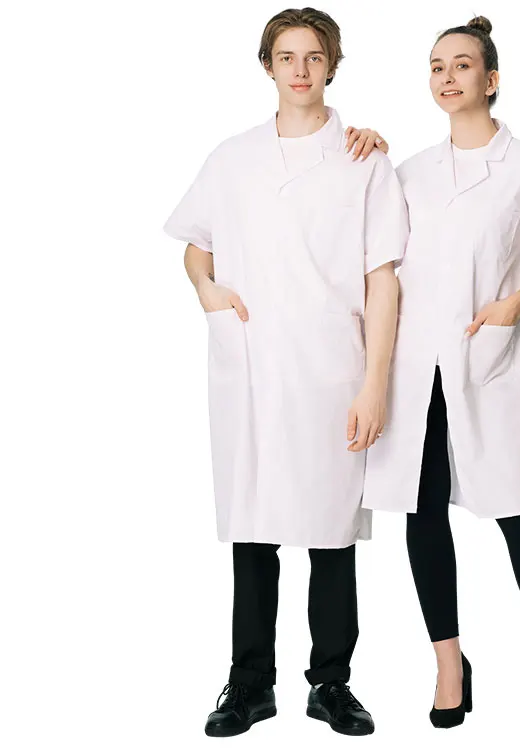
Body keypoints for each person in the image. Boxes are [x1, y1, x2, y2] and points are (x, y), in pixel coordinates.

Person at [163, 7, 407, 738]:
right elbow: (196, 244)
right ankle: (249, 685)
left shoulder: (364, 160)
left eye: (314, 56)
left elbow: (384, 279)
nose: (300, 69)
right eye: (286, 56)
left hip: (333, 369)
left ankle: (331, 683)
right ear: (267, 66)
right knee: (254, 530)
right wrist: (206, 288)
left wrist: (374, 382)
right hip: (250, 370)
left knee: (331, 534)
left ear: (332, 65)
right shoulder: (232, 158)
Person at [362, 15, 520, 747]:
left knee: (518, 514)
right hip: (415, 367)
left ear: (491, 81)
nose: (447, 77)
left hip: (489, 365)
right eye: (436, 66)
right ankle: (449, 665)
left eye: (462, 65)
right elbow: (375, 250)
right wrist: (359, 148)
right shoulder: (409, 173)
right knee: (422, 512)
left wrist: (512, 305)